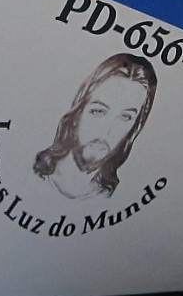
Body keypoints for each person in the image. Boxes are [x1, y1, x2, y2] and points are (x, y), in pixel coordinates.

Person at [33, 53, 157, 200]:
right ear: (77, 112)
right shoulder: (30, 175)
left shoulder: (111, 196)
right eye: (98, 111)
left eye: (125, 117)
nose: (107, 131)